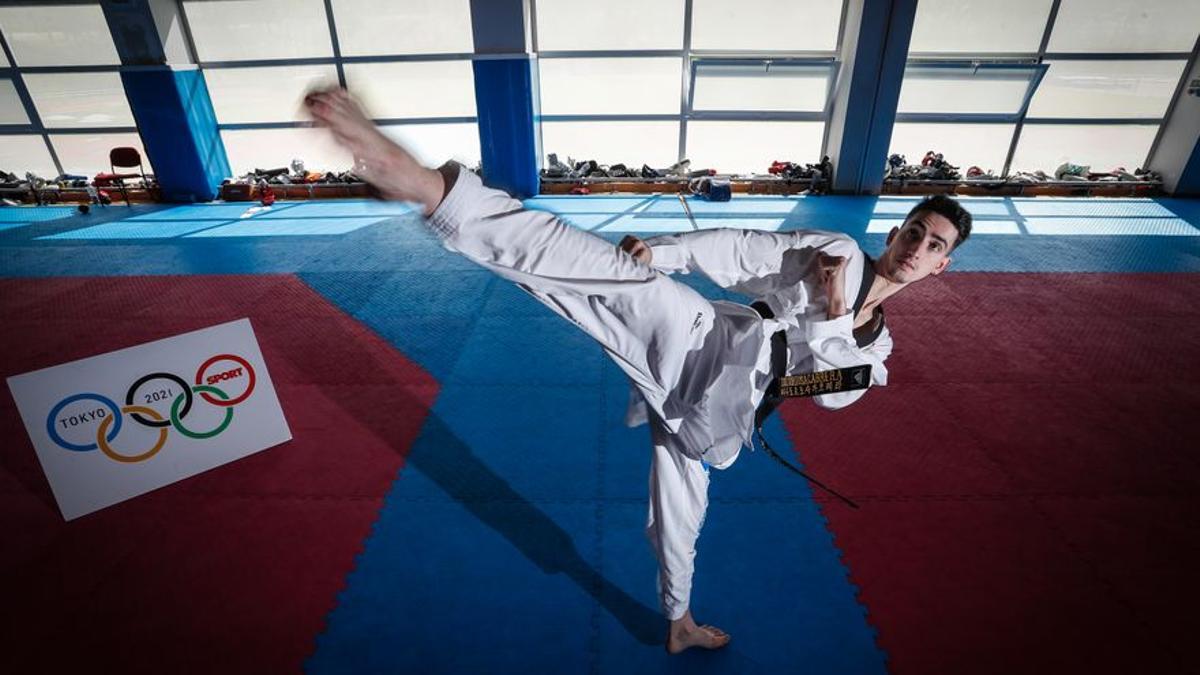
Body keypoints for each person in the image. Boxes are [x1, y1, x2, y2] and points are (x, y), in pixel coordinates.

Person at [304, 87, 973, 654]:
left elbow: (829, 396)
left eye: (934, 245)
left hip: (727, 411)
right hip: (703, 337)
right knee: (598, 275)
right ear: (896, 230)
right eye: (914, 230)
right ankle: (428, 188)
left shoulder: (876, 351)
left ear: (943, 264)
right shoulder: (837, 251)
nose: (917, 247)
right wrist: (663, 252)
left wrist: (829, 316)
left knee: (678, 513)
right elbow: (744, 251)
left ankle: (677, 620)